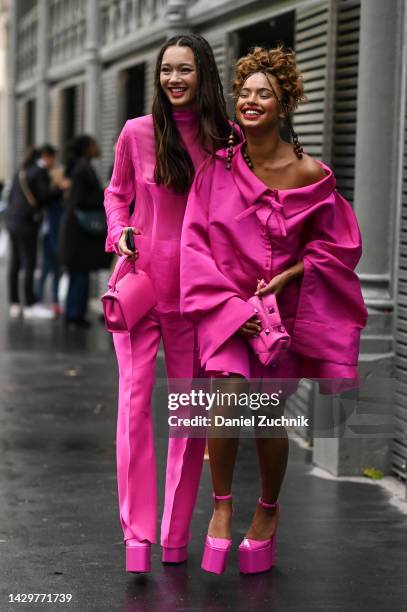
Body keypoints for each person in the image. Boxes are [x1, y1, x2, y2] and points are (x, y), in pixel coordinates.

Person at [180, 45, 368, 575]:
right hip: (224, 304)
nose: (251, 100)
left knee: (265, 417)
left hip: (280, 316)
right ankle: (221, 508)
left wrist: (288, 276)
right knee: (228, 391)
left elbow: (336, 247)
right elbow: (195, 240)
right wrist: (228, 300)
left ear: (284, 106)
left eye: (264, 93)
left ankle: (267, 511)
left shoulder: (310, 173)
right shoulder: (216, 167)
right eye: (244, 93)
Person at [104, 33, 239, 573]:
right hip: (139, 289)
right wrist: (119, 234)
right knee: (134, 410)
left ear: (203, 74)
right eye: (166, 70)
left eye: (185, 70)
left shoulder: (227, 139)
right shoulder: (136, 133)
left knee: (190, 414)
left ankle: (176, 536)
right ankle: (137, 538)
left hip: (196, 295)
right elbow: (116, 194)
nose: (174, 79)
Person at [6, 144, 67, 319]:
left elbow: (11, 197)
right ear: (46, 156)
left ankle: (15, 303)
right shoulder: (39, 172)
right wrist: (59, 188)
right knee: (30, 263)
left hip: (13, 222)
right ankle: (30, 304)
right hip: (28, 224)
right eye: (53, 158)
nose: (53, 163)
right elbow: (44, 196)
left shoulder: (21, 171)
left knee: (15, 263)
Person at [60, 135, 112, 328]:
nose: (97, 147)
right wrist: (105, 192)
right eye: (93, 144)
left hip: (76, 231)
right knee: (79, 274)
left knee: (78, 274)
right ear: (86, 148)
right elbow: (81, 199)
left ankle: (74, 313)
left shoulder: (80, 167)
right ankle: (75, 315)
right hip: (78, 232)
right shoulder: (83, 168)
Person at [36, 165, 67, 316]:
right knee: (50, 271)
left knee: (51, 271)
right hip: (51, 240)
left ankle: (46, 300)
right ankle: (42, 300)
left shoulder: (55, 196)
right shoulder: (54, 197)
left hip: (51, 239)